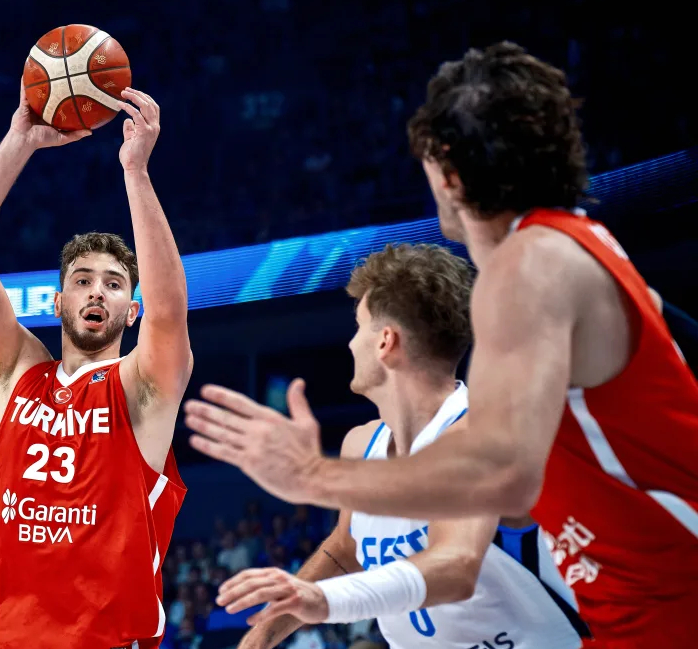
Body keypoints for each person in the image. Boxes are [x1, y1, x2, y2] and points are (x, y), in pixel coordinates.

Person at [184, 42, 698, 645]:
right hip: (638, 608)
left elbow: (503, 476)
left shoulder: (528, 264)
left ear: (447, 170)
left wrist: (313, 475)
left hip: (671, 605)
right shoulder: (578, 248)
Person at [223, 244, 587, 649]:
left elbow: (456, 565)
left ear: (385, 341)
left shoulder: (480, 434)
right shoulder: (361, 444)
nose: (350, 344)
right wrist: (261, 636)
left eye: (359, 327)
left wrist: (325, 600)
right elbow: (346, 550)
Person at [0, 85, 190, 649]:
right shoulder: (15, 370)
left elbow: (170, 314)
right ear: (57, 302)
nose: (97, 291)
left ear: (132, 309)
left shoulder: (140, 388)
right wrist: (18, 143)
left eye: (114, 284)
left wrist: (136, 173)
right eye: (82, 280)